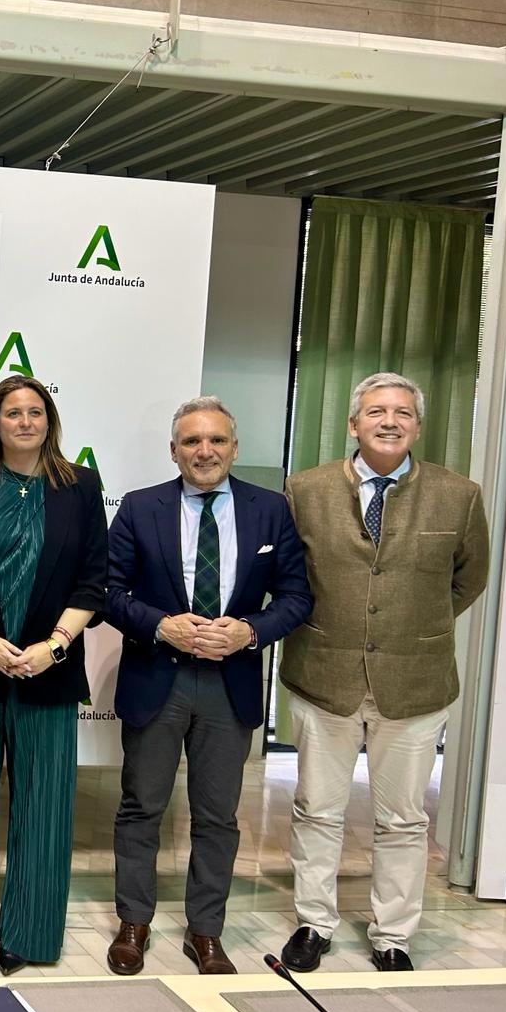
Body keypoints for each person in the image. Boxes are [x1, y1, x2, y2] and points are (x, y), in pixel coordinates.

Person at [279, 372, 489, 973]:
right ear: (354, 424)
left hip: (416, 683)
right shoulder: (306, 490)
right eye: (376, 411)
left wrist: (412, 625)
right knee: (316, 808)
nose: (389, 420)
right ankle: (314, 924)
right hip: (323, 677)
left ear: (418, 426)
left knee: (403, 819)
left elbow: (469, 578)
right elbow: (292, 576)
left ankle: (392, 934)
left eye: (402, 412)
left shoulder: (459, 496)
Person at [105, 396, 310, 976]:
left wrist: (250, 631)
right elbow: (109, 593)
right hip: (157, 678)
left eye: (216, 440)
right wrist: (161, 626)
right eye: (192, 441)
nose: (205, 451)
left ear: (234, 448)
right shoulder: (140, 509)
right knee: (142, 806)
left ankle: (205, 931)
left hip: (230, 683)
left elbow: (297, 597)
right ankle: (133, 923)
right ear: (174, 451)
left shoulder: (270, 510)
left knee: (217, 817)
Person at [0, 375, 108, 974]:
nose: (25, 422)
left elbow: (93, 578)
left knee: (45, 808)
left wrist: (53, 646)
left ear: (49, 421)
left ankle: (29, 935)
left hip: (48, 673)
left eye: (35, 412)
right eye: (13, 413)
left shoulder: (80, 485)